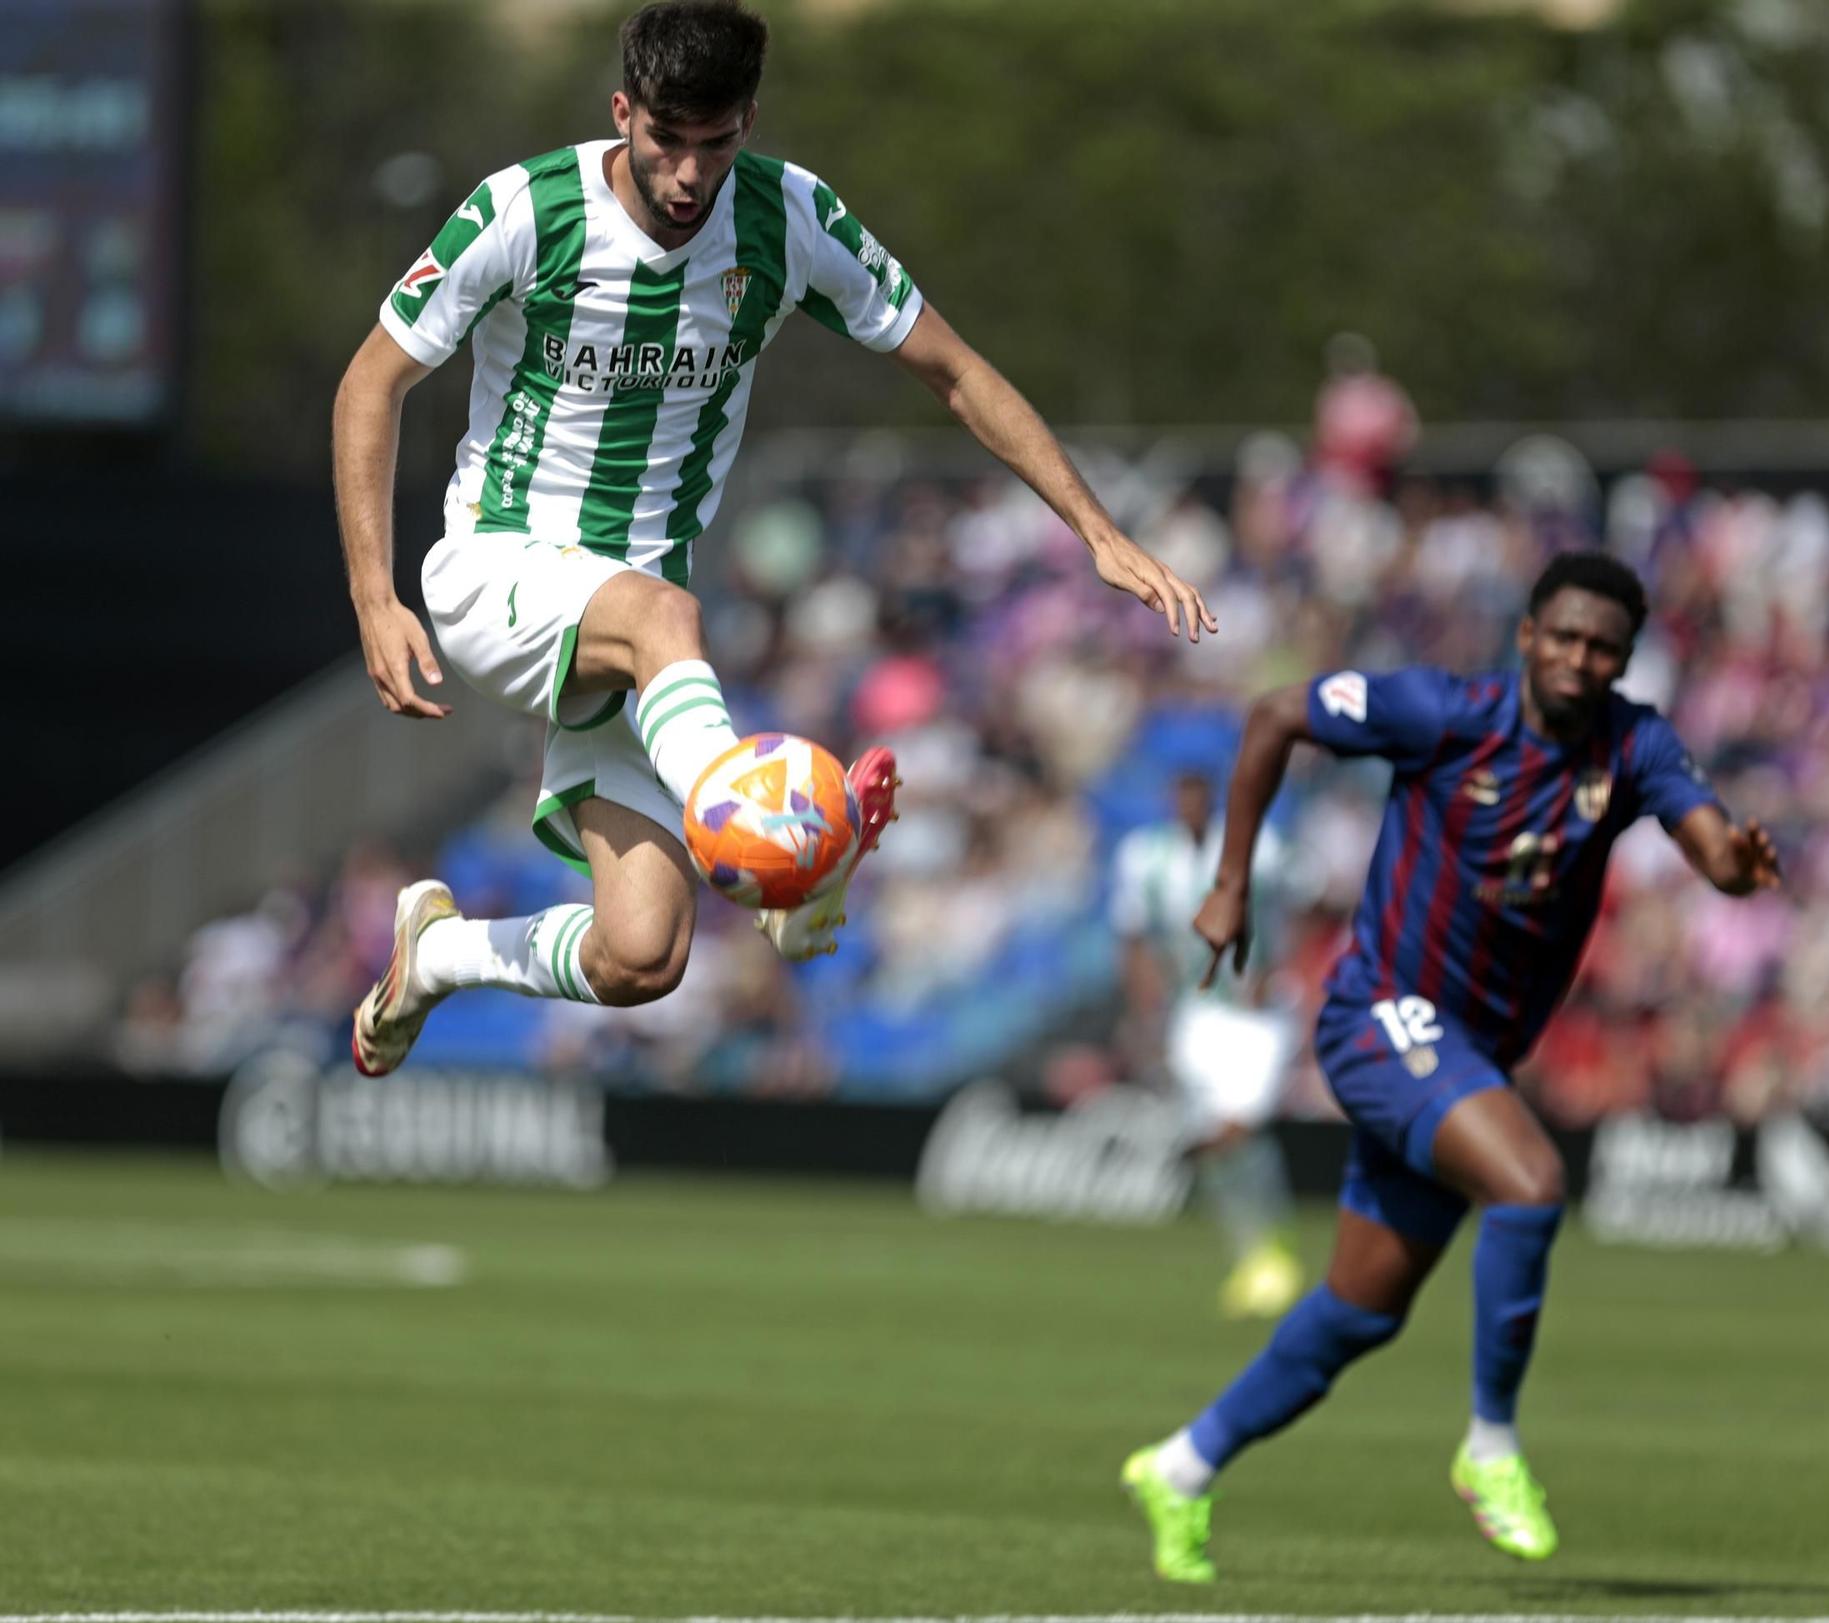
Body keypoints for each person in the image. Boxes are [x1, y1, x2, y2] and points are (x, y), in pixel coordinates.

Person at [331, 0, 1214, 1075]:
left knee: (641, 955)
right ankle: (789, 855)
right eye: (666, 139)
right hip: (499, 569)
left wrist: (1097, 531)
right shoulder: (523, 211)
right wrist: (377, 597)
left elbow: (953, 371)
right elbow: (372, 383)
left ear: (747, 122)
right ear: (624, 113)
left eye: (717, 143)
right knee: (666, 614)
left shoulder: (791, 218)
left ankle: (441, 955)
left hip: (643, 641)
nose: (690, 175)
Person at [1120, 551, 1783, 1582]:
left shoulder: (1633, 744)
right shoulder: (1440, 713)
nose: (1577, 657)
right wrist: (1230, 882)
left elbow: (1711, 851)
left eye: (1600, 645)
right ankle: (1490, 1446)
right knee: (1529, 1185)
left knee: (1359, 1309)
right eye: (1561, 636)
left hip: (1462, 1052)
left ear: (1621, 659)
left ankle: (1179, 1465)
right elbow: (1270, 716)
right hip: (1378, 1015)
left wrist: (1736, 865)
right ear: (1525, 635)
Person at [1111, 770, 1308, 1318]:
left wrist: (1279, 964)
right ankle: (1259, 1257)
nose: (1190, 807)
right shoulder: (1145, 859)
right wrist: (1144, 1012)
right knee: (1226, 1146)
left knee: (1235, 1128)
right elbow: (1133, 938)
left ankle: (1269, 1247)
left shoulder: (1260, 848)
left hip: (1259, 1015)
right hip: (1195, 1014)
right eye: (1181, 797)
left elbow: (1308, 902)